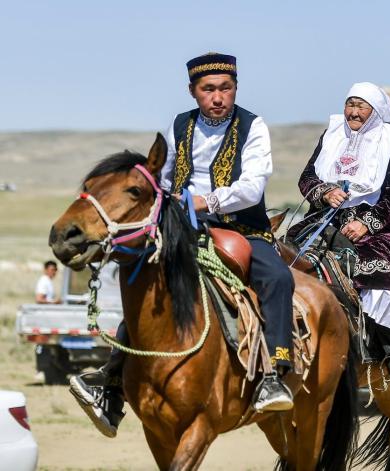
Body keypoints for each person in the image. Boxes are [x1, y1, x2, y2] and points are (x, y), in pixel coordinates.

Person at [69, 52, 295, 438]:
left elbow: (252, 186)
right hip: (185, 226)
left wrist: (210, 201)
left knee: (278, 277)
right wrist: (168, 201)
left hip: (242, 227)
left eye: (226, 88)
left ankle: (275, 373)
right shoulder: (179, 125)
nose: (218, 97)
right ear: (193, 92)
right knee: (148, 281)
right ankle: (111, 384)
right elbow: (168, 176)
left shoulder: (253, 126)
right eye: (209, 89)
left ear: (235, 88)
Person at [290, 82, 390, 379]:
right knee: (285, 260)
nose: (354, 112)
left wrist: (366, 224)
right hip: (323, 218)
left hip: (373, 226)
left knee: (375, 275)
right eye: (350, 104)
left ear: (375, 111)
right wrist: (324, 192)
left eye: (361, 106)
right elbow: (307, 177)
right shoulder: (332, 133)